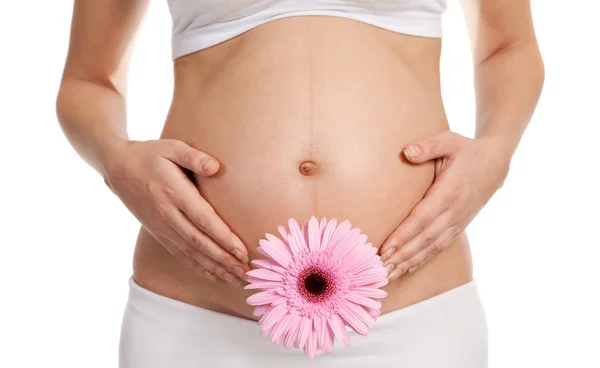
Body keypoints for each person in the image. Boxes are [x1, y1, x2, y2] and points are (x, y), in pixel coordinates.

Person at [56, 0, 544, 367]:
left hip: (415, 310)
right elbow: (88, 79)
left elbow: (509, 45)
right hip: (197, 315)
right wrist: (115, 159)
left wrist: (496, 150)